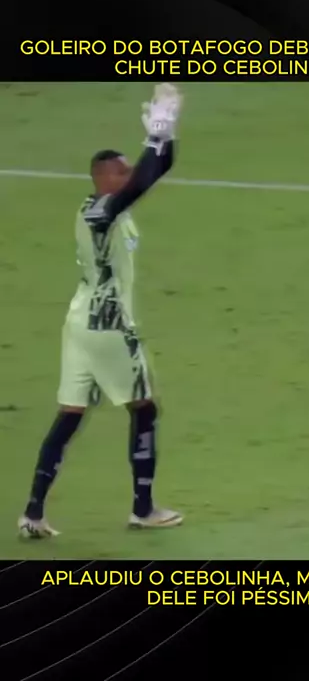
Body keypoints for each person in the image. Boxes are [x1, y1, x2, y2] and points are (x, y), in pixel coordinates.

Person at [18, 84, 184, 538]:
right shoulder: (99, 214)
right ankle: (143, 509)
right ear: (104, 178)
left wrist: (165, 135)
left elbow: (154, 172)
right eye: (121, 172)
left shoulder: (108, 207)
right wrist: (155, 137)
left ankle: (33, 514)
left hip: (80, 325)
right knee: (144, 410)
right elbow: (143, 180)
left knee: (70, 415)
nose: (129, 177)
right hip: (110, 327)